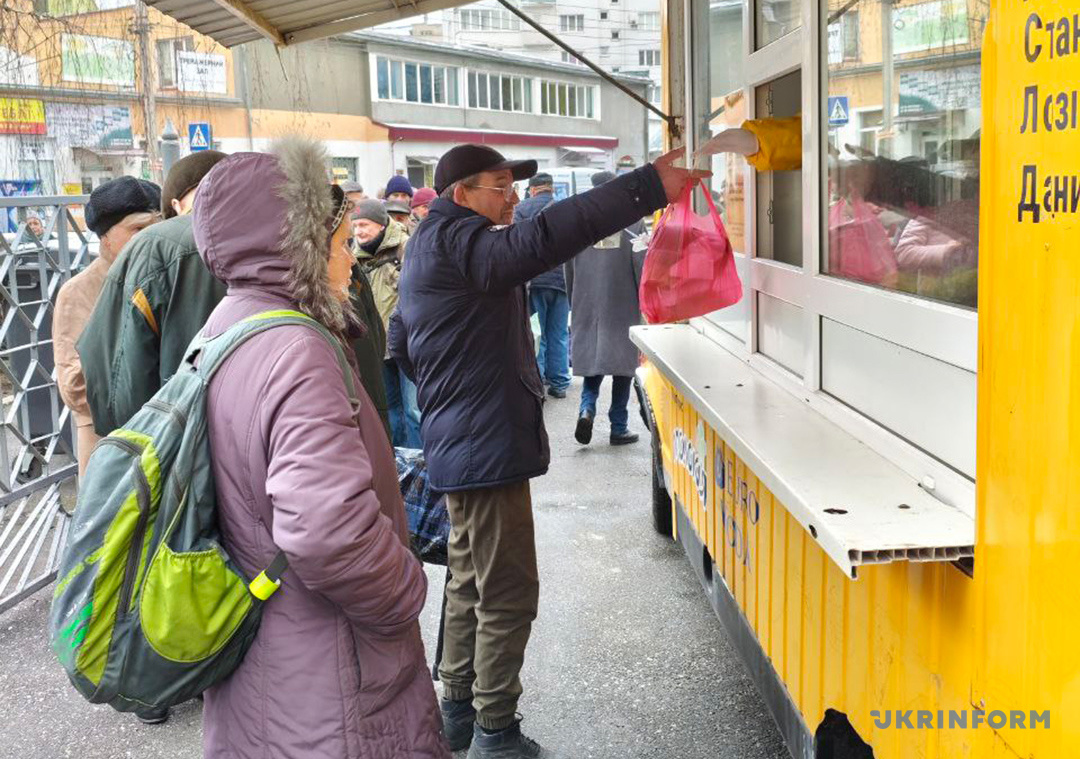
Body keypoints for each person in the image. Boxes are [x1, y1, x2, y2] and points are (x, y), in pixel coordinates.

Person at [389, 143, 703, 758]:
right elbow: (552, 235)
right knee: (506, 588)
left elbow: (402, 339)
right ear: (463, 195)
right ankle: (496, 731)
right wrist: (646, 187)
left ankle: (456, 711)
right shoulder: (467, 244)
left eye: (513, 187)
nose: (513, 199)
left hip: (462, 436)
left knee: (471, 577)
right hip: (484, 441)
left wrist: (447, 385)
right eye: (500, 187)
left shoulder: (433, 242)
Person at [193, 136, 448, 759]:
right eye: (337, 247)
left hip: (265, 648)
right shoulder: (297, 350)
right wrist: (404, 593)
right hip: (329, 659)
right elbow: (325, 531)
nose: (350, 263)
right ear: (297, 254)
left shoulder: (225, 327)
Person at [79, 151, 391, 437]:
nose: (350, 256)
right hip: (324, 446)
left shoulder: (154, 249)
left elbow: (113, 378)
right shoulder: (311, 242)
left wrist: (155, 448)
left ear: (174, 203)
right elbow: (369, 348)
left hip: (183, 462)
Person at [55, 176, 161, 476]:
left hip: (165, 437)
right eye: (138, 230)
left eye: (156, 228)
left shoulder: (163, 279)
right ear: (106, 238)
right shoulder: (78, 292)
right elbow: (74, 387)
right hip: (108, 442)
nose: (149, 240)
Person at [565, 171, 647, 447]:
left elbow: (567, 267)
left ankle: (586, 409)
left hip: (586, 300)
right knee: (623, 366)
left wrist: (573, 298)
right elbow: (642, 266)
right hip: (622, 300)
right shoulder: (632, 222)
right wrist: (645, 303)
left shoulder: (577, 223)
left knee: (594, 361)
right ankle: (618, 426)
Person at [353, 199, 422, 448]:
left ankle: (422, 469)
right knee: (390, 410)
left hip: (408, 344)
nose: (359, 231)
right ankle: (400, 468)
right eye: (356, 225)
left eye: (365, 224)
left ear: (381, 225)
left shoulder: (406, 248)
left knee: (414, 410)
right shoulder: (353, 257)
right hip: (376, 347)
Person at [513, 173, 570, 399]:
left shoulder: (521, 209)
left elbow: (516, 243)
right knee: (558, 333)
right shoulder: (563, 208)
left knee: (536, 332)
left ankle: (537, 380)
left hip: (535, 279)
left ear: (533, 189)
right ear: (551, 189)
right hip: (561, 279)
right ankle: (559, 382)